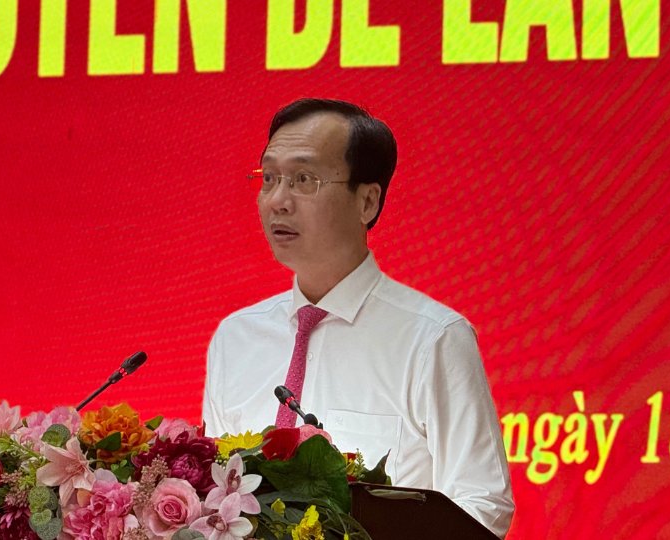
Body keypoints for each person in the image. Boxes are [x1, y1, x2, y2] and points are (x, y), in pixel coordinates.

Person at [202, 98, 514, 537]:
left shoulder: (433, 338)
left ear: (367, 202)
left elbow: (482, 504)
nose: (277, 201)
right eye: (269, 178)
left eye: (304, 179)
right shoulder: (236, 338)